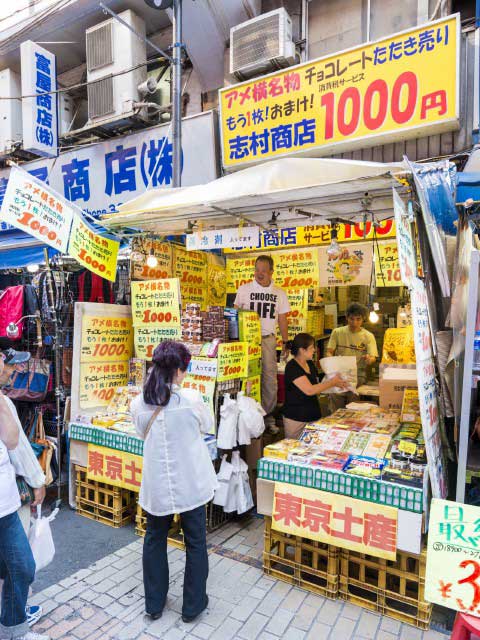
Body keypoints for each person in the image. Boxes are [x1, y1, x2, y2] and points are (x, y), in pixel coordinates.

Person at [130, 341, 217, 624]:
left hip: (158, 483)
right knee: (195, 541)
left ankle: (154, 604)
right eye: (186, 368)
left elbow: (142, 432)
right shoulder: (191, 399)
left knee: (155, 538)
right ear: (179, 370)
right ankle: (192, 606)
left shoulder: (138, 402)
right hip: (191, 481)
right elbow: (208, 425)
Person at [0, 348, 50, 640]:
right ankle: (14, 629)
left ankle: (13, 626)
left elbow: (13, 442)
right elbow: (16, 445)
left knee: (16, 566)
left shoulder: (4, 401)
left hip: (5, 504)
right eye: (7, 363)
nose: (13, 370)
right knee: (19, 565)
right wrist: (37, 480)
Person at [234, 254, 290, 433]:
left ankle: (268, 417)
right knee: (246, 378)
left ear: (272, 272)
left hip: (267, 339)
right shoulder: (244, 289)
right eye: (257, 269)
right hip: (245, 341)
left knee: (269, 379)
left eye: (264, 270)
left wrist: (286, 342)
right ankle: (246, 417)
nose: (259, 273)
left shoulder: (279, 293)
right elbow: (235, 315)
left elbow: (282, 320)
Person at [282, 333, 348, 439]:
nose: (315, 350)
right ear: (302, 350)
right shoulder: (292, 367)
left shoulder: (310, 364)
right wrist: (332, 382)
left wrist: (335, 382)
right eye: (312, 347)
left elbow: (317, 386)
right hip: (296, 419)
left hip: (313, 415)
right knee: (294, 448)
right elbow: (309, 390)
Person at [326, 303, 379, 409]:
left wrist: (369, 359)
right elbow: (329, 351)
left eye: (358, 319)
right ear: (346, 318)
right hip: (339, 374)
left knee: (353, 406)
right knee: (336, 403)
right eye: (351, 319)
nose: (354, 322)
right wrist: (330, 359)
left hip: (358, 375)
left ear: (363, 319)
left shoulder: (368, 336)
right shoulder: (337, 332)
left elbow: (373, 357)